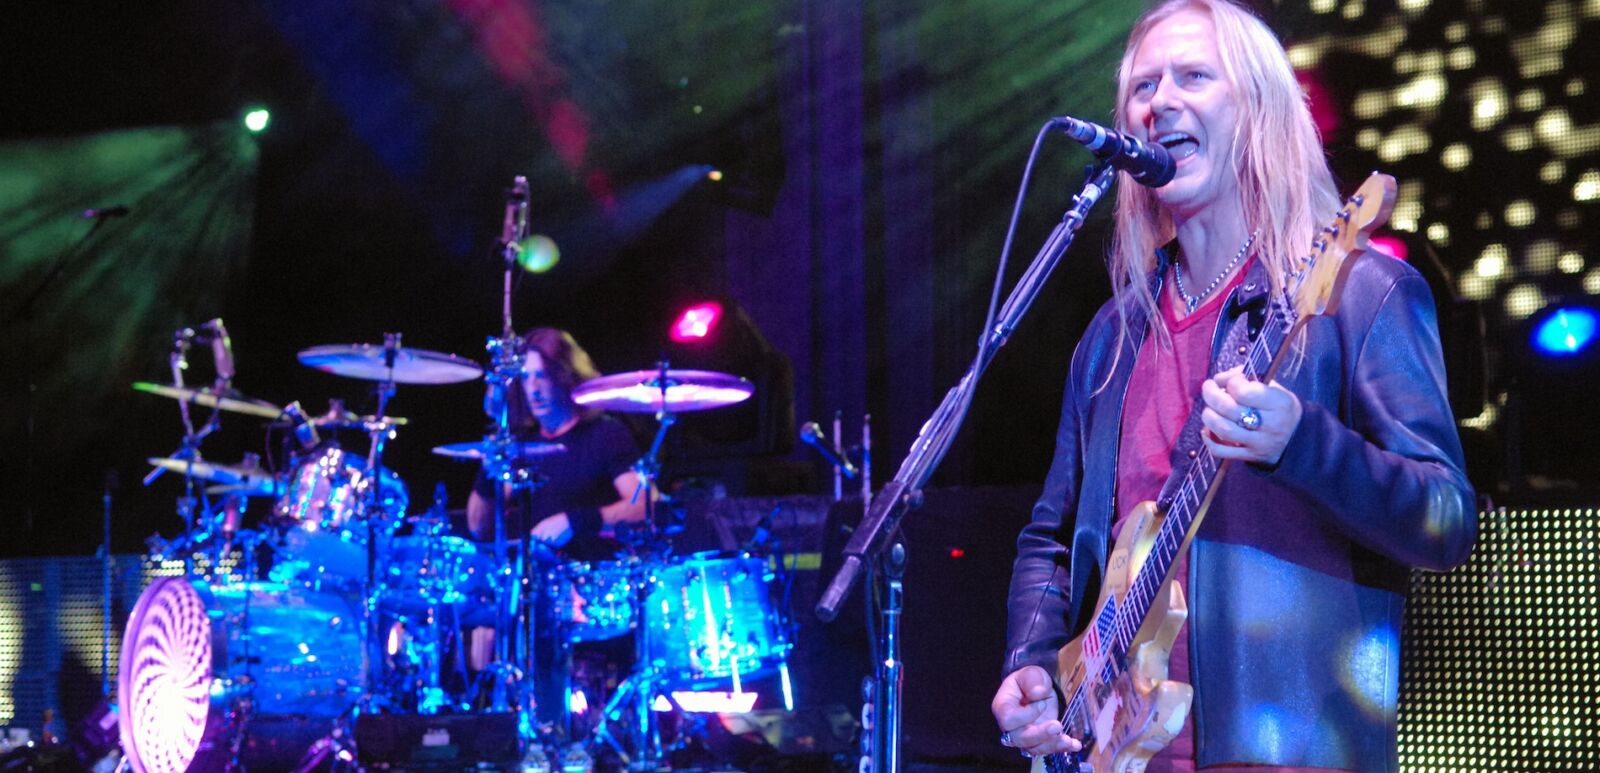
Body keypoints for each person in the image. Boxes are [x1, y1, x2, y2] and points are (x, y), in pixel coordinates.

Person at [990, 2, 1477, 772]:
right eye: (1144, 86)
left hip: (1295, 747)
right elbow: (1052, 539)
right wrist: (1031, 658)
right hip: (1120, 750)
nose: (1160, 102)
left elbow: (1446, 517)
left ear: (1259, 110)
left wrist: (1303, 444)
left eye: (1193, 77)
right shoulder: (1111, 339)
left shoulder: (1360, 291)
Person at [464, 327, 650, 728]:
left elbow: (643, 504)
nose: (534, 388)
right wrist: (491, 458)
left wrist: (579, 520)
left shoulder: (604, 435)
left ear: (566, 377)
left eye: (543, 376)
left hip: (588, 589)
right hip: (525, 591)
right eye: (526, 378)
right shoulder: (523, 444)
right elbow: (479, 525)